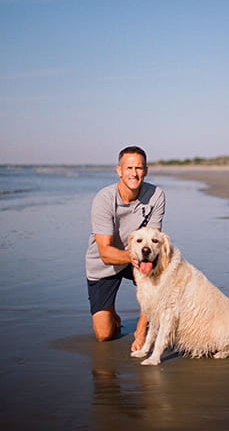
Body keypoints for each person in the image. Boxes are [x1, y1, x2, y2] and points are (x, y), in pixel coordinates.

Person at [85, 146, 166, 351]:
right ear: (119, 170)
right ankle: (112, 314)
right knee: (104, 335)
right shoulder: (104, 199)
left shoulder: (156, 195)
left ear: (146, 171)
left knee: (158, 273)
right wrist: (133, 257)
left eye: (139, 168)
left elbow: (153, 242)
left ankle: (144, 326)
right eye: (129, 167)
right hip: (106, 262)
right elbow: (105, 252)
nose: (134, 173)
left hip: (139, 256)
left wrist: (140, 331)